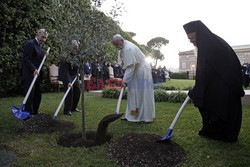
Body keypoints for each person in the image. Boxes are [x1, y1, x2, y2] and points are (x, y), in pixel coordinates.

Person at [183, 20, 245, 142]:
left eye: (192, 37)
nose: (191, 41)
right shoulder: (210, 42)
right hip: (219, 84)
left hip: (225, 85)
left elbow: (204, 72)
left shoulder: (209, 46)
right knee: (211, 105)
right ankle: (213, 131)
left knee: (220, 109)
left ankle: (222, 134)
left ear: (199, 34)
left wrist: (196, 90)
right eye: (189, 39)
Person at [112, 34, 155, 122]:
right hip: (136, 70)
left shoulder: (128, 49)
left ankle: (143, 117)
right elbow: (128, 66)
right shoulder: (124, 46)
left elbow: (131, 67)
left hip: (141, 71)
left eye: (116, 44)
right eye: (114, 44)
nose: (116, 46)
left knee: (141, 94)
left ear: (121, 40)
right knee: (133, 93)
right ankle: (133, 115)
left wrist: (125, 81)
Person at [21, 29, 48, 116]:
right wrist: (33, 69)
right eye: (42, 37)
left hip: (37, 75)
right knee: (30, 95)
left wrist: (44, 56)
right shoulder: (30, 44)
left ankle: (35, 112)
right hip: (30, 74)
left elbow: (38, 60)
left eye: (45, 38)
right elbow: (26, 59)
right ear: (37, 34)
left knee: (37, 94)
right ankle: (27, 114)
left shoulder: (39, 46)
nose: (44, 40)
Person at [59, 40, 81, 116]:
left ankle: (73, 108)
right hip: (66, 75)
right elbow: (65, 70)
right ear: (71, 47)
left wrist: (77, 72)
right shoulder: (66, 56)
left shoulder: (76, 55)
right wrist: (68, 81)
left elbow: (76, 65)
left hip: (74, 75)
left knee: (77, 90)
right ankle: (67, 110)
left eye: (77, 48)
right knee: (69, 91)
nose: (76, 49)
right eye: (75, 47)